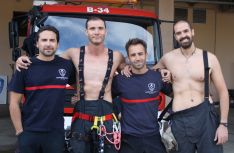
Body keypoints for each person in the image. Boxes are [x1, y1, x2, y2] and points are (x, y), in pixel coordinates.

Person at [15, 16, 125, 153]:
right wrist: (23, 59)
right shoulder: (73, 53)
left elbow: (132, 72)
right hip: (82, 117)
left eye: (100, 28)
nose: (96, 32)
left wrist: (160, 68)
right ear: (86, 32)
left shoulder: (118, 56)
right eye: (92, 28)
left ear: (106, 31)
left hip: (106, 117)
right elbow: (46, 59)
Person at [153, 20, 229, 153]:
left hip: (205, 118)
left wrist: (223, 124)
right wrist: (161, 71)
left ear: (192, 32)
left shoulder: (210, 58)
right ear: (175, 37)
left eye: (185, 31)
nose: (183, 35)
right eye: (178, 33)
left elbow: (223, 92)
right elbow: (148, 73)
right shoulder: (168, 58)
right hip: (180, 120)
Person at [8, 25, 76, 153]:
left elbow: (77, 83)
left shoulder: (66, 65)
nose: (48, 44)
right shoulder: (24, 66)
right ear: (37, 44)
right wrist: (19, 131)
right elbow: (13, 103)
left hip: (55, 134)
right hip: (29, 132)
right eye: (44, 40)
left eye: (52, 40)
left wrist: (77, 94)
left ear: (57, 44)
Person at [112, 38, 172, 153]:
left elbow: (177, 94)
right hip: (128, 139)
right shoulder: (120, 80)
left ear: (146, 54)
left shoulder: (157, 77)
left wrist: (173, 78)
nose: (137, 58)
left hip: (153, 137)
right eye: (133, 55)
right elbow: (106, 99)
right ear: (128, 58)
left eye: (140, 54)